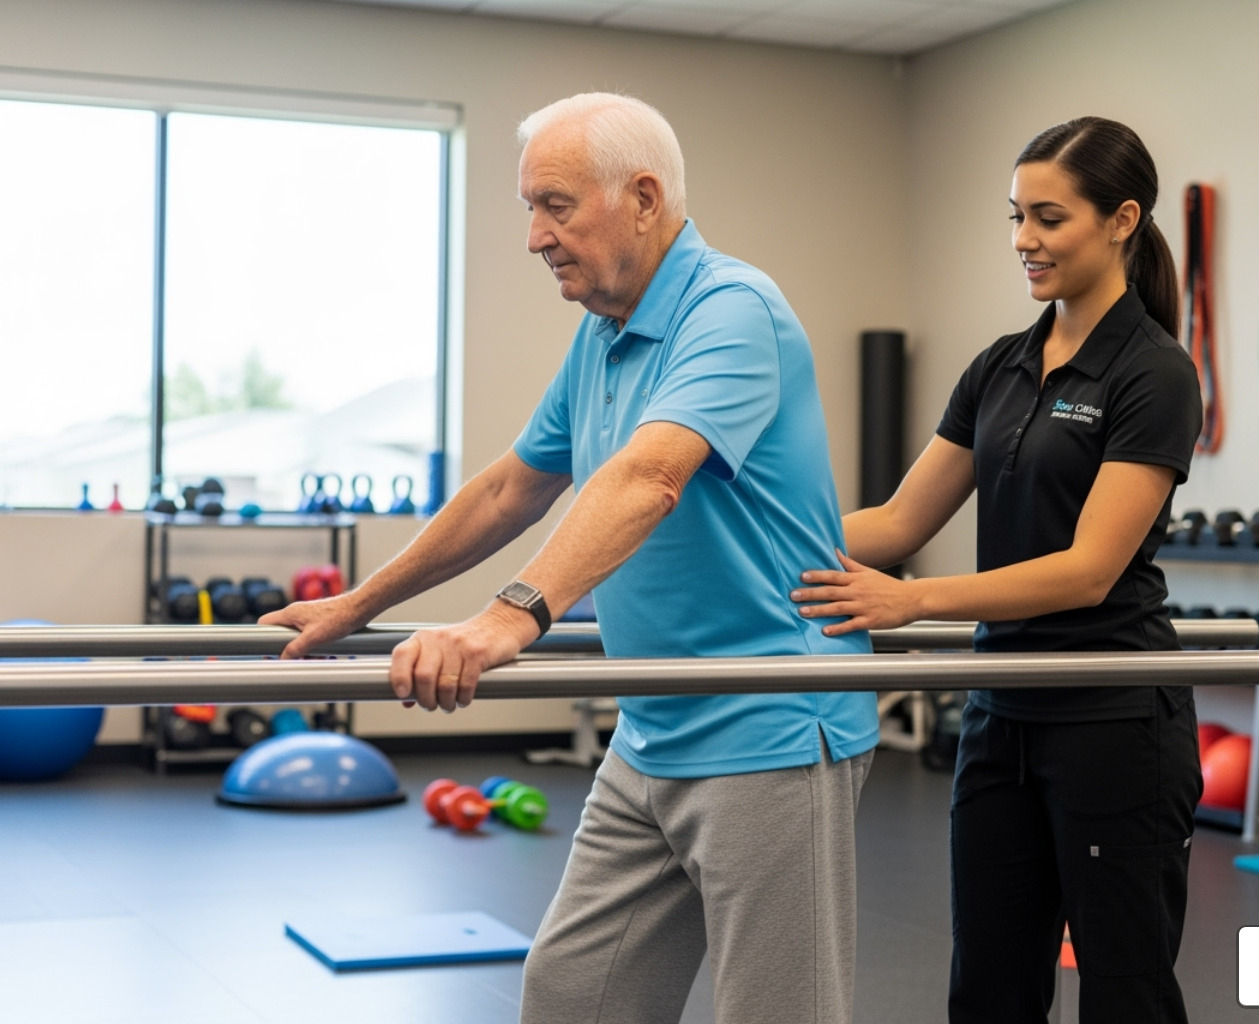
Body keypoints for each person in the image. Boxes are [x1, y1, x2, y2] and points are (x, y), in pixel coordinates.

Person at [262, 92, 879, 1024]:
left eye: (555, 205)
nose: (534, 237)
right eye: (529, 209)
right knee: (575, 995)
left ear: (641, 196)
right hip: (655, 728)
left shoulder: (734, 310)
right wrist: (358, 604)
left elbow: (648, 477)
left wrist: (511, 615)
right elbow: (513, 485)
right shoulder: (603, 334)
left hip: (770, 723)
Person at [792, 116, 1203, 1023]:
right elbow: (898, 521)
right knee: (988, 990)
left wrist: (915, 603)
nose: (1024, 240)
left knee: (1126, 993)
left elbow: (1090, 570)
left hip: (1113, 721)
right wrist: (758, 537)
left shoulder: (1154, 374)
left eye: (1049, 218)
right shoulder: (1001, 367)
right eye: (1016, 216)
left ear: (1122, 219)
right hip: (1001, 719)